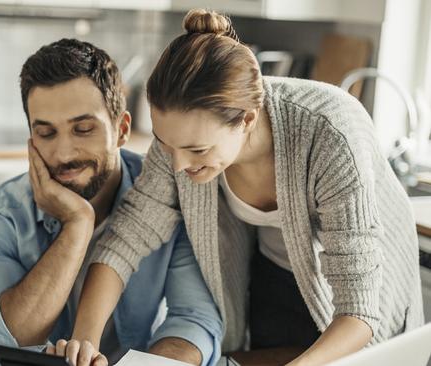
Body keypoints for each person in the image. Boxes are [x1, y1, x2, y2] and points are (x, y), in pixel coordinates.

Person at [66, 9, 424, 366]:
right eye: (165, 144)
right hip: (274, 277)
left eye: (197, 150)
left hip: (360, 299)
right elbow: (126, 239)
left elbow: (359, 311)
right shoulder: (181, 140)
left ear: (248, 119)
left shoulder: (330, 133)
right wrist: (84, 340)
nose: (178, 165)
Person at [0, 38, 223, 366]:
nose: (64, 154)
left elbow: (194, 321)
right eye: (46, 133)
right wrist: (77, 226)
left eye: (83, 129)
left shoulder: (170, 198)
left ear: (122, 129)